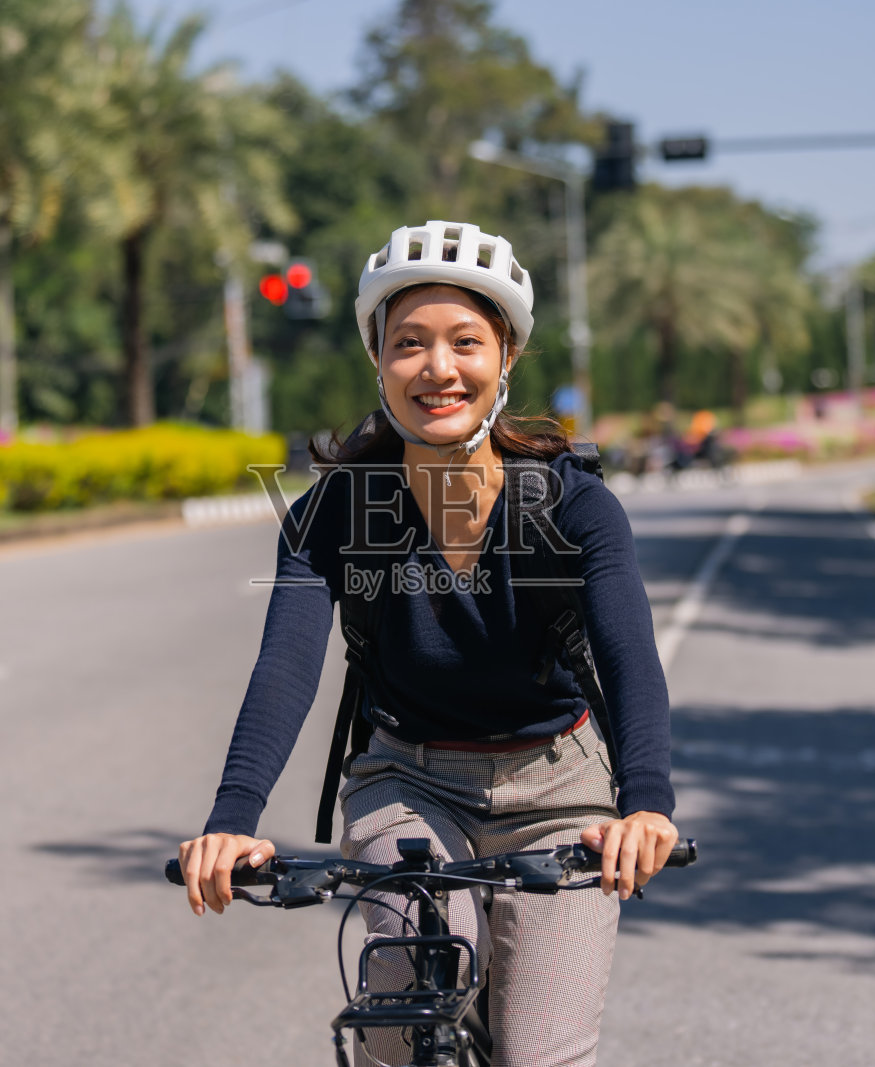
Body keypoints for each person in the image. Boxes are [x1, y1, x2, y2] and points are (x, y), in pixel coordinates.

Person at [178, 220, 679, 1067]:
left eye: (465, 342)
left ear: (506, 356)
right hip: (407, 782)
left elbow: (630, 655)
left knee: (542, 1053)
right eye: (409, 342)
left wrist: (647, 802)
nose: (438, 368)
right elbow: (286, 666)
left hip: (558, 788)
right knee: (406, 1021)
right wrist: (232, 822)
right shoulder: (330, 516)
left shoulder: (574, 508)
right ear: (379, 360)